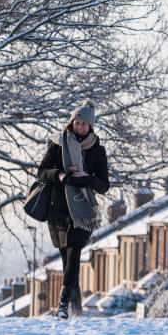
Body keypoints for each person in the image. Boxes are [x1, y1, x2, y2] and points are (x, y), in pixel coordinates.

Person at [35, 100, 110, 319]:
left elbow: (104, 185)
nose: (79, 127)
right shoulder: (58, 144)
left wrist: (87, 179)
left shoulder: (97, 150)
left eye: (83, 124)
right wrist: (59, 175)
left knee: (74, 252)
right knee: (67, 260)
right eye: (76, 123)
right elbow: (42, 172)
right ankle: (76, 310)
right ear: (71, 123)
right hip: (57, 208)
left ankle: (62, 306)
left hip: (83, 211)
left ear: (91, 126)